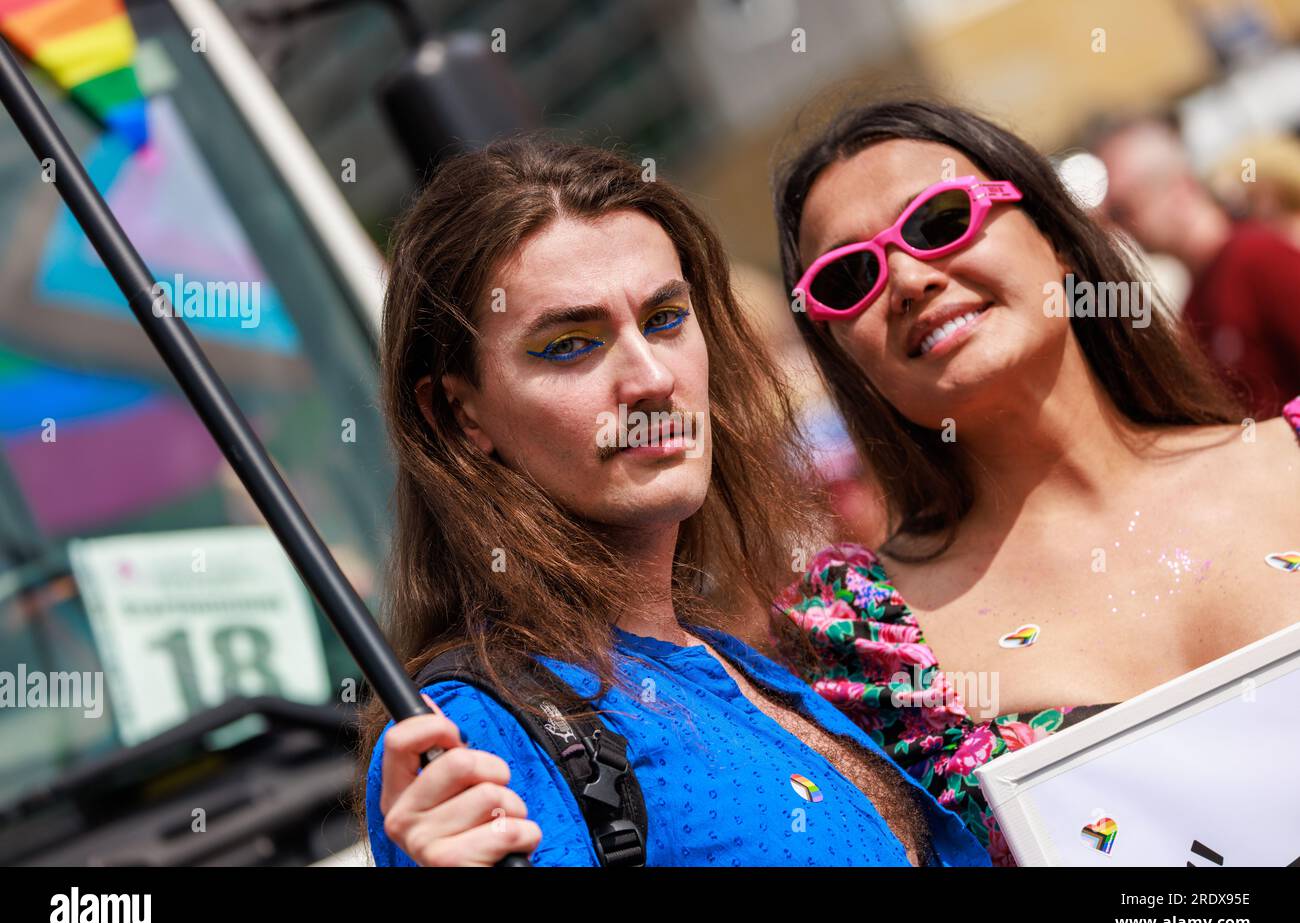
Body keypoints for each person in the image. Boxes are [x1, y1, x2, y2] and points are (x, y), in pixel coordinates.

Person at [356, 134, 991, 867]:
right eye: (569, 344)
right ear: (458, 416)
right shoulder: (475, 735)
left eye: (664, 318)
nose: (651, 377)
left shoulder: (735, 661)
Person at [770, 99, 1300, 865]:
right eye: (849, 275)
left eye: (938, 220)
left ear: (1055, 237)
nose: (911, 277)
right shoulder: (857, 642)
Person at [1091, 116, 1300, 416]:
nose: (1118, 227)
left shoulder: (1259, 258)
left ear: (1180, 189)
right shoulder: (1194, 308)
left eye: (1123, 209)